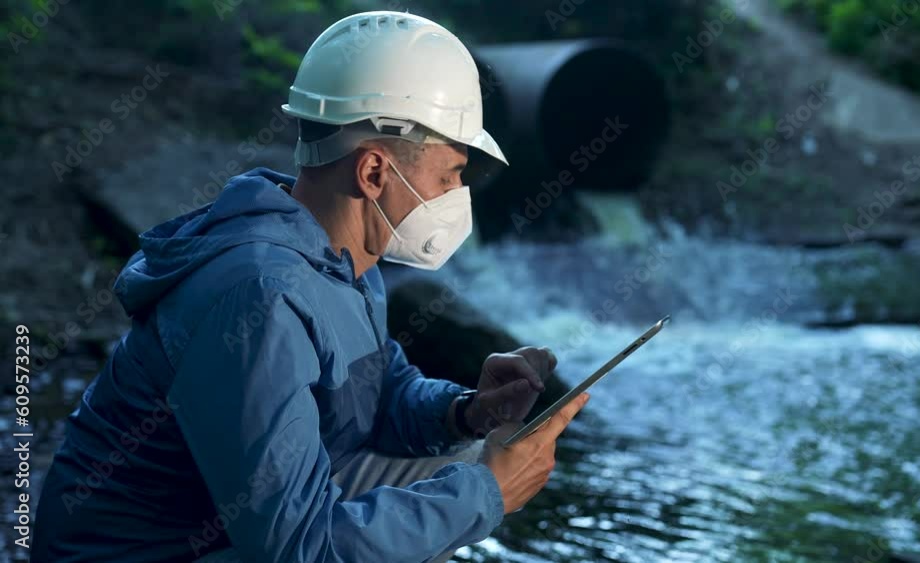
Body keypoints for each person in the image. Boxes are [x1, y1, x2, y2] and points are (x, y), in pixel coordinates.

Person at [32, 10, 589, 563]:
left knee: (468, 464)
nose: (456, 194)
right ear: (374, 173)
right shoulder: (259, 295)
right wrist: (486, 496)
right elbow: (298, 550)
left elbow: (377, 398)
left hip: (222, 534)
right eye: (448, 175)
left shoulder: (338, 259)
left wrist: (466, 411)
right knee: (468, 490)